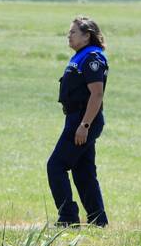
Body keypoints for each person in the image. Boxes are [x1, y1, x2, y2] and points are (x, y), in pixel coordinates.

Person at [47, 16, 109, 227]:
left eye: (73, 32)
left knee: (56, 165)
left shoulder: (92, 58)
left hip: (83, 120)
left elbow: (97, 94)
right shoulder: (81, 56)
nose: (69, 36)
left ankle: (68, 218)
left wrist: (84, 126)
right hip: (76, 118)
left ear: (87, 35)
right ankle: (98, 221)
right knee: (84, 172)